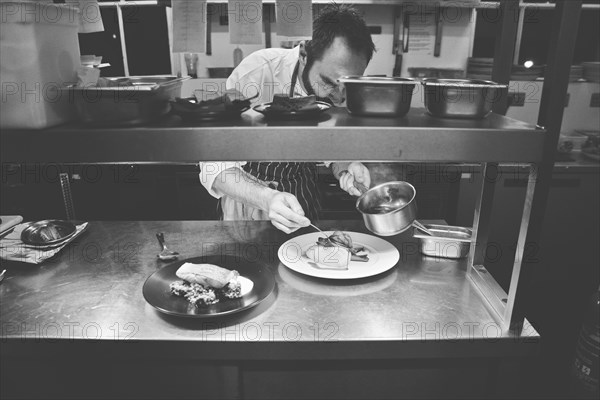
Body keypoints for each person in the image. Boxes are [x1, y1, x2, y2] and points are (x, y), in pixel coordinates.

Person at [200, 4, 376, 234]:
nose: (340, 98)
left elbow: (327, 144)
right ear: (304, 54)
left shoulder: (338, 92)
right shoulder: (258, 73)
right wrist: (266, 198)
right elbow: (214, 164)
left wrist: (344, 164)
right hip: (249, 207)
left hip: (304, 197)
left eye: (348, 86)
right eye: (329, 82)